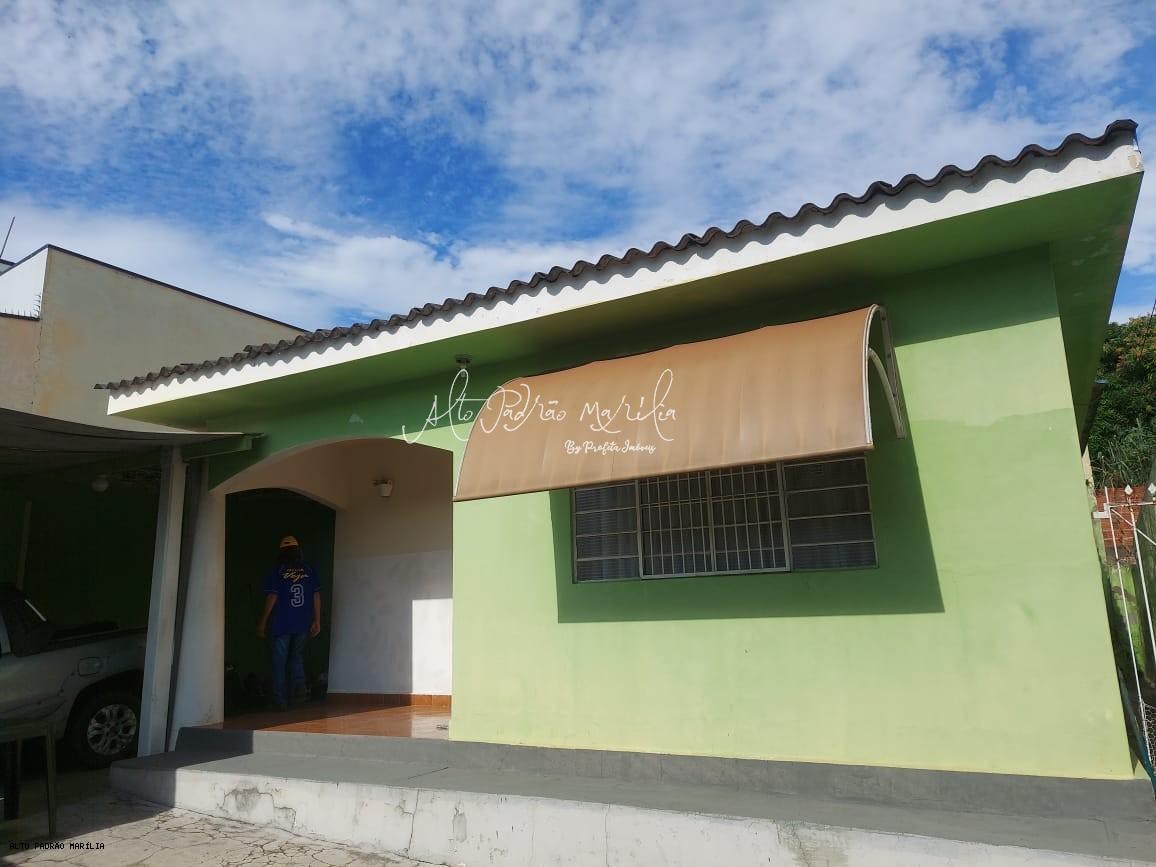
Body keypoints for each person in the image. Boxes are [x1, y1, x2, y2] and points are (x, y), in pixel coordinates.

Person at [257, 536, 321, 711]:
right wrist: (317, 620)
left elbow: (272, 596)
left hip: (282, 623)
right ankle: (299, 695)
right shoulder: (309, 570)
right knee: (296, 657)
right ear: (298, 551)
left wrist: (263, 622)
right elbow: (316, 595)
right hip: (303, 622)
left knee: (279, 661)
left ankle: (280, 700)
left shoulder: (278, 572)